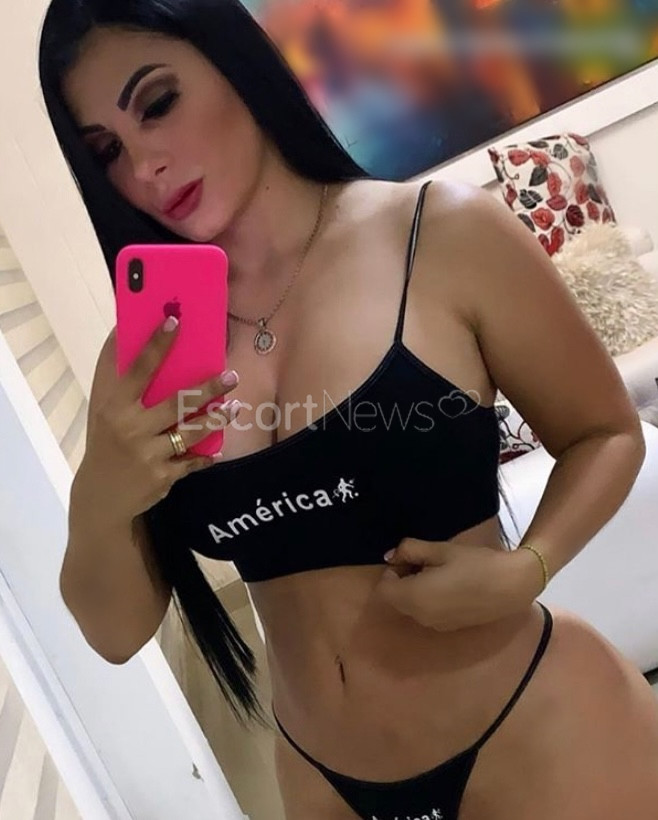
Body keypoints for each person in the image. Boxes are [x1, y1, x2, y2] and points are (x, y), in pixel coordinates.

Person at [39, 1, 658, 818]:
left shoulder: (440, 235)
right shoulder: (151, 351)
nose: (144, 165)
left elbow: (605, 432)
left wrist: (530, 565)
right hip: (323, 784)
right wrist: (101, 494)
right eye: (106, 151)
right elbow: (115, 636)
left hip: (537, 736)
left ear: (235, 63)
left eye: (157, 103)